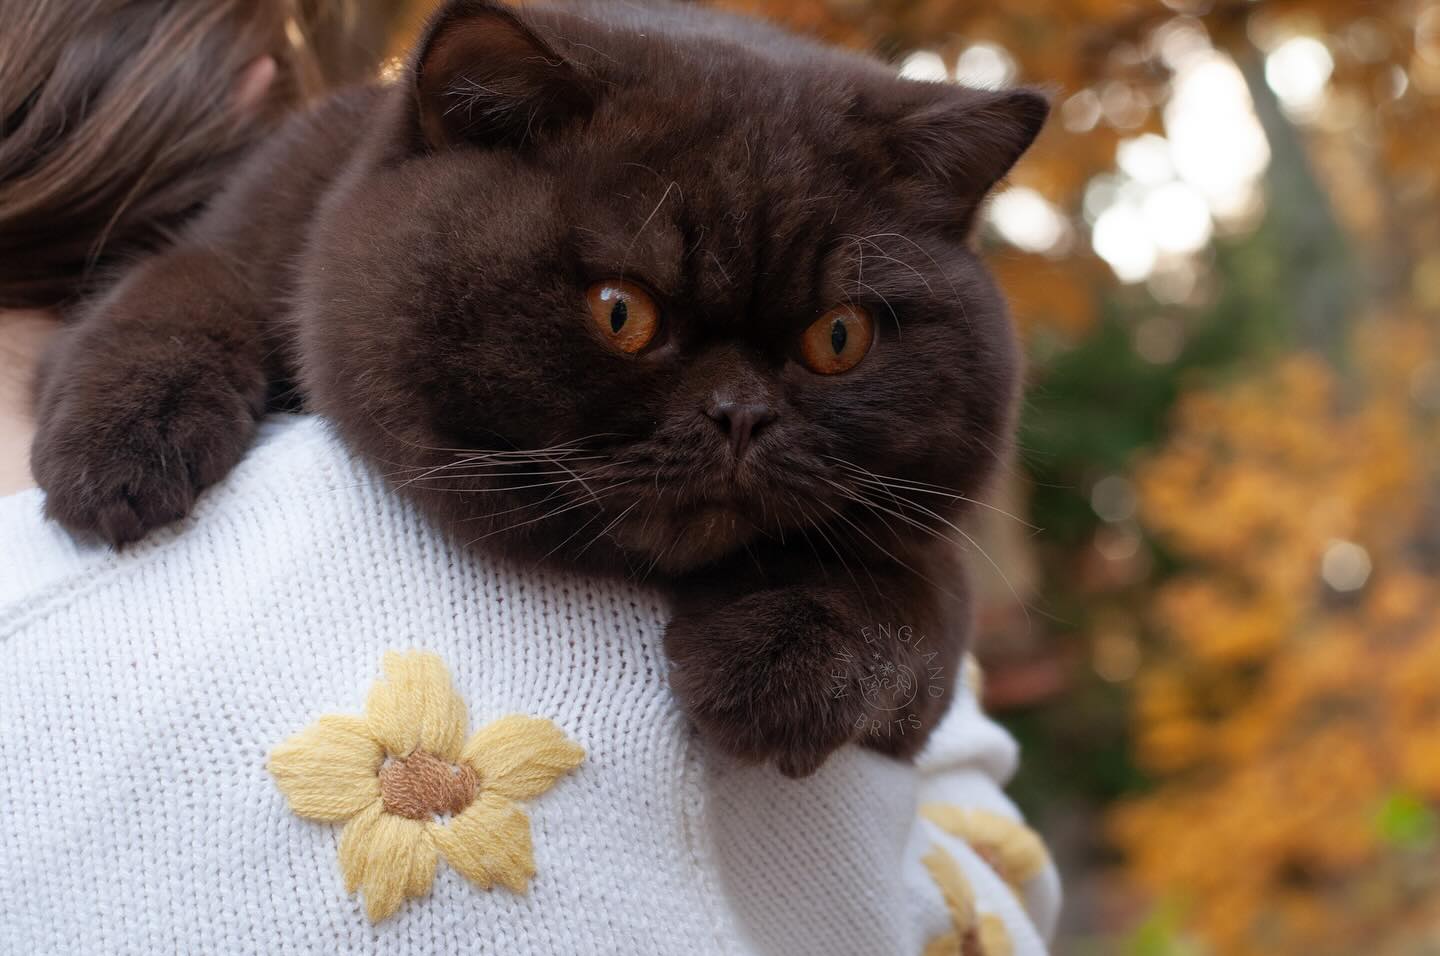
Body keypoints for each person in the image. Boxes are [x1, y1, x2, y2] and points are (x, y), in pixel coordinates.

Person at [0, 1, 1061, 952]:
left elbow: (925, 577)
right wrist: (183, 328)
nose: (738, 417)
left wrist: (882, 621)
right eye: (624, 318)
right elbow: (219, 273)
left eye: (833, 342)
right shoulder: (317, 183)